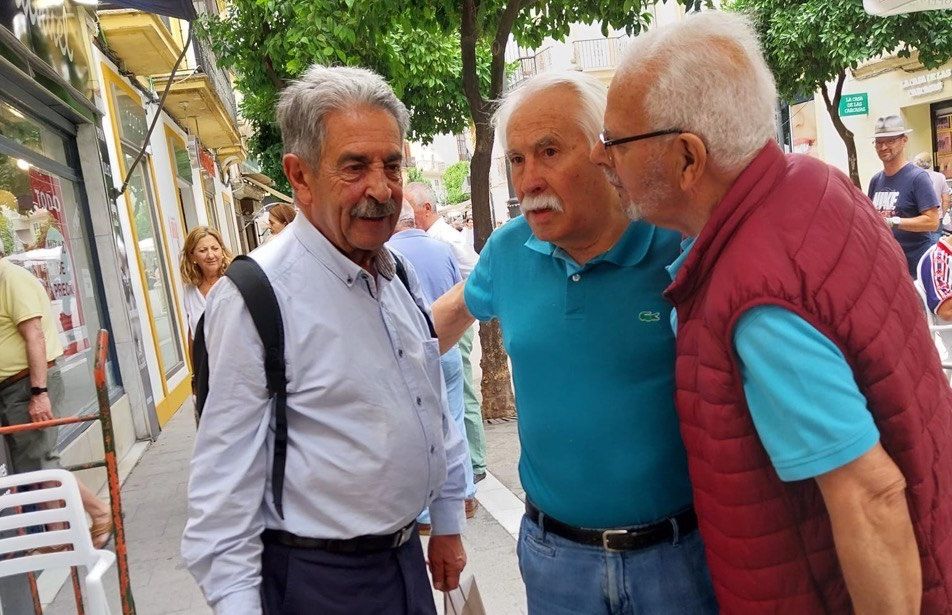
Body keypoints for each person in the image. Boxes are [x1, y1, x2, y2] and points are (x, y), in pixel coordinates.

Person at [591, 11, 952, 613]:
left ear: (687, 158)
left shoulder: (757, 298)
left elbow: (871, 497)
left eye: (614, 143)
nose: (601, 158)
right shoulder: (812, 183)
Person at [181, 65, 469, 615]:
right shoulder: (254, 298)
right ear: (301, 176)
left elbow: (430, 404)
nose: (381, 189)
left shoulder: (399, 274)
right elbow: (222, 493)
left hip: (407, 562)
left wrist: (448, 521)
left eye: (392, 165)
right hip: (319, 584)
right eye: (354, 167)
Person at [433, 71, 716, 614]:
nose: (528, 180)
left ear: (604, 153)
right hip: (556, 560)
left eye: (548, 152)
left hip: (678, 557)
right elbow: (434, 329)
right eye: (516, 160)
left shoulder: (673, 238)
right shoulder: (509, 249)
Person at [0, 251, 113, 548]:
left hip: (27, 384)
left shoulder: (11, 279)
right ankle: (59, 533)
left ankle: (99, 512)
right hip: (13, 387)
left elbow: (34, 336)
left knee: (42, 462)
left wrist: (39, 393)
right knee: (32, 467)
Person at [387, 203, 478, 530]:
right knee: (454, 419)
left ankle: (427, 513)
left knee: (423, 425)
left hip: (412, 351)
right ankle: (465, 495)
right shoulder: (442, 248)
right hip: (448, 346)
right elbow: (459, 293)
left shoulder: (388, 255)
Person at [405, 182, 488, 483]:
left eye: (411, 208)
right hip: (440, 325)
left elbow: (479, 274)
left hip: (455, 323)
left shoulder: (445, 239)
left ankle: (475, 463)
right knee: (455, 398)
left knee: (462, 395)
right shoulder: (434, 240)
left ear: (426, 208)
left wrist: (463, 308)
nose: (407, 215)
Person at [867, 116, 940, 275]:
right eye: (879, 142)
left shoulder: (918, 178)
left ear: (904, 140)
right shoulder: (875, 180)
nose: (883, 147)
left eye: (890, 141)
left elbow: (933, 222)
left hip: (916, 268)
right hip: (887, 266)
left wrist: (893, 222)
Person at [179, 226, 232, 345]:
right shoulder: (190, 291)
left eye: (215, 248)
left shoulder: (233, 282)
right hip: (205, 356)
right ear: (192, 256)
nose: (210, 255)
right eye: (203, 250)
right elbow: (192, 334)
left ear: (222, 251)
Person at [913, 151, 952, 232]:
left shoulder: (913, 177)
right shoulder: (940, 177)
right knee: (935, 239)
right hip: (937, 217)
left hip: (918, 219)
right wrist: (942, 214)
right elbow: (946, 200)